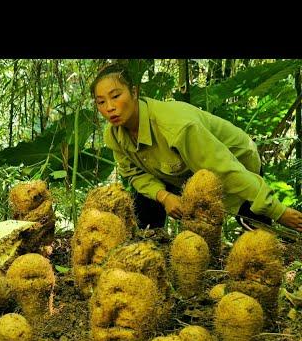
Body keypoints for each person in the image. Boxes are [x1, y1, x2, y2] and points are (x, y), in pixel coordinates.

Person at [90, 63, 302, 233]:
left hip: (236, 165)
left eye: (116, 96)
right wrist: (165, 197)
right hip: (178, 173)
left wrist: (278, 211)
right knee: (146, 210)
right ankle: (152, 248)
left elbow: (225, 169)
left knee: (257, 237)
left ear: (134, 92)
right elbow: (134, 174)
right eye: (101, 102)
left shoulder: (177, 128)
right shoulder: (115, 135)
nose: (109, 107)